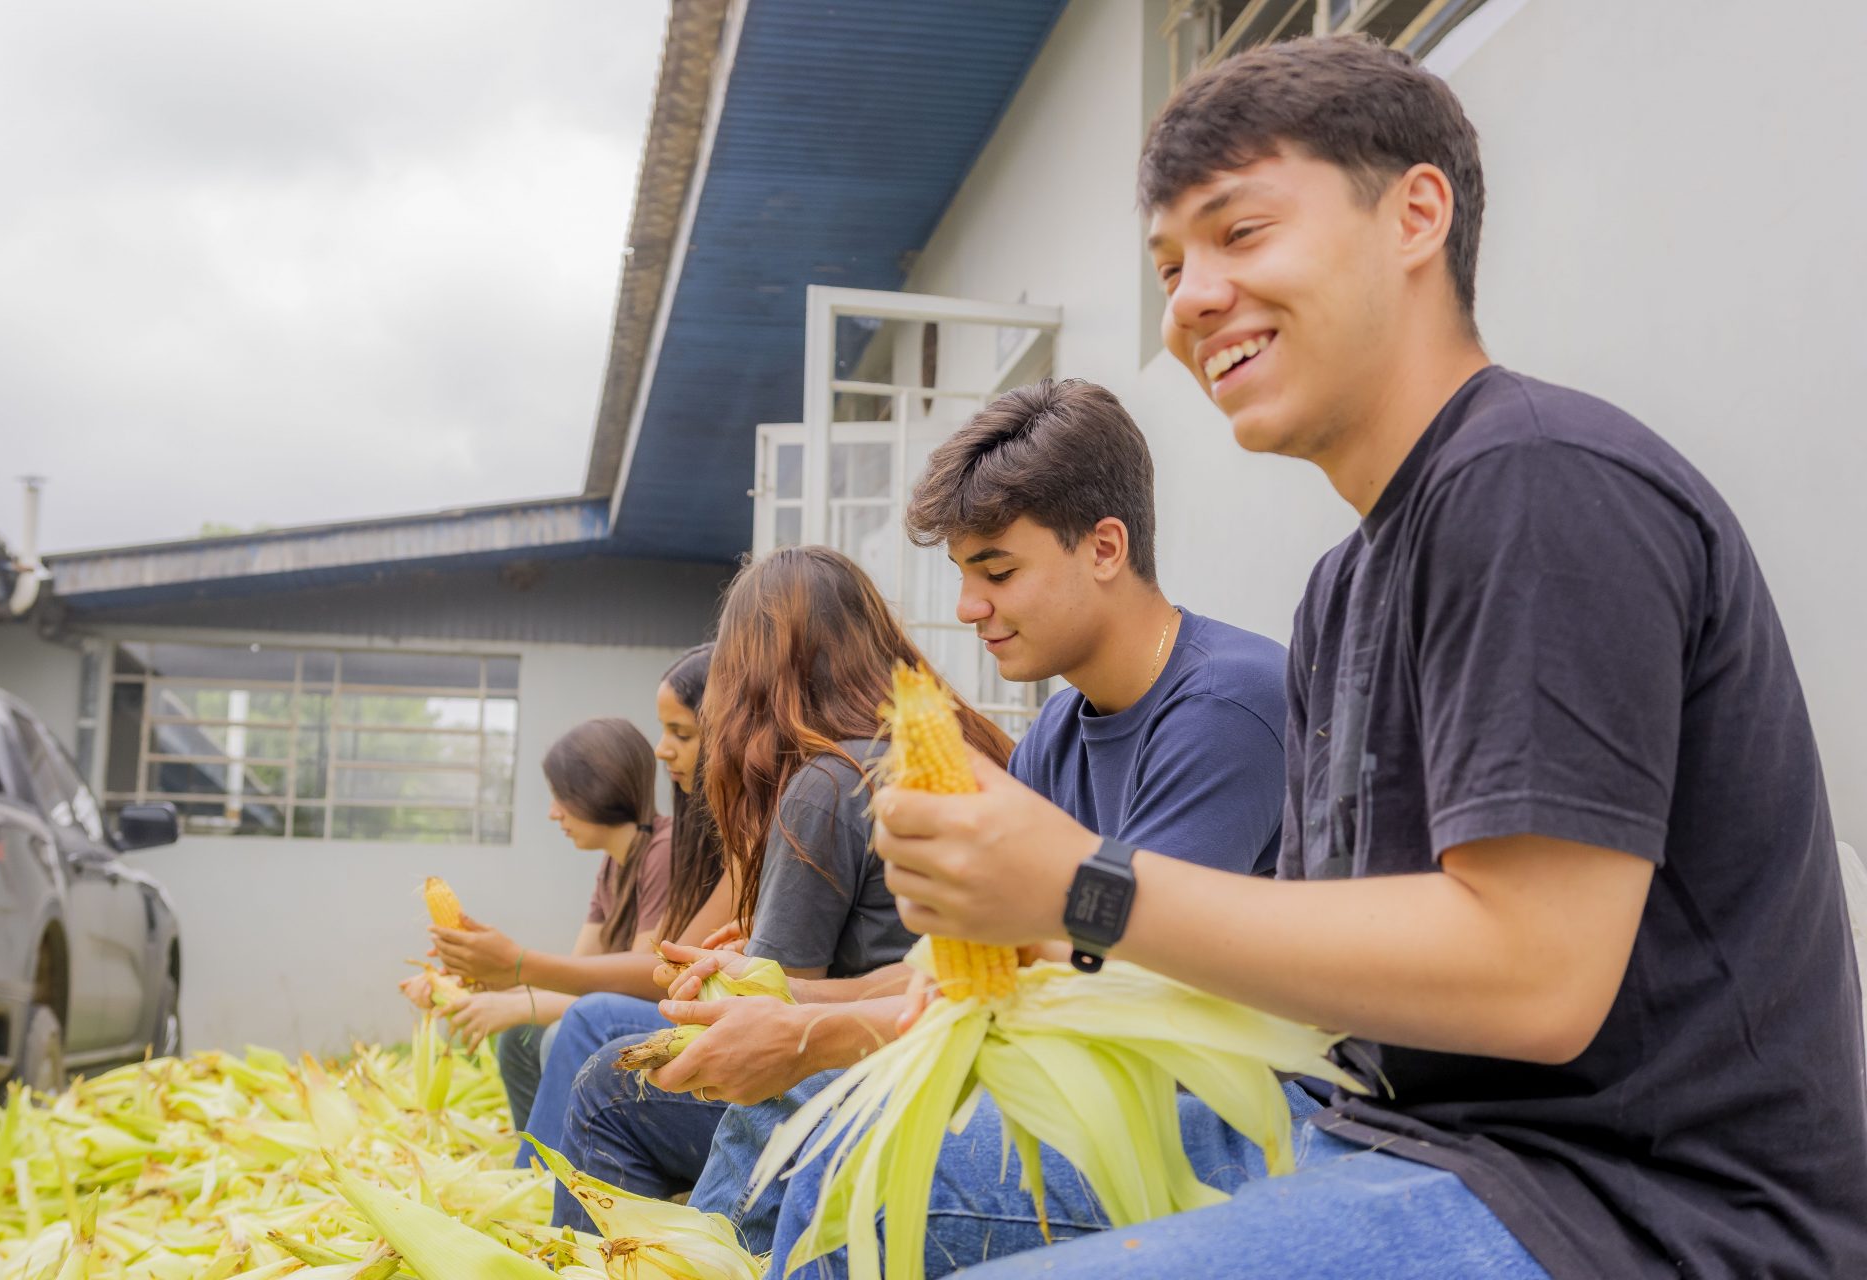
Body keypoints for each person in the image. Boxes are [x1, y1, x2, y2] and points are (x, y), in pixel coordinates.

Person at [789, 34, 1867, 1278]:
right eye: (1171, 264)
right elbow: (1315, 967)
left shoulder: (1537, 482)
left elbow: (1539, 976)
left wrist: (1080, 888)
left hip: (1630, 1211)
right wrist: (1006, 941)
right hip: (1380, 1131)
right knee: (850, 1204)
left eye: (1239, 234)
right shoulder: (1346, 584)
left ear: (1417, 214)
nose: (1189, 299)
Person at [633, 377, 1295, 1252]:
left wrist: (813, 1035)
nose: (966, 608)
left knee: (851, 1175)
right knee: (804, 1091)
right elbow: (983, 969)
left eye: (998, 572)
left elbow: (1113, 978)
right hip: (1081, 1079)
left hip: (1217, 1123)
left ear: (1105, 547)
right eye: (960, 575)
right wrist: (782, 998)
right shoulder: (1058, 730)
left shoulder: (1225, 708)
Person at [548, 545, 1013, 1232]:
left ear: (752, 676)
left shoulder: (826, 785)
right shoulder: (969, 750)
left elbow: (769, 1009)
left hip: (879, 1076)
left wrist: (742, 971)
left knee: (606, 1084)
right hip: (953, 1048)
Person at [400, 716, 683, 1132]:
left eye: (562, 796)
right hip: (618, 1010)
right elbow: (571, 978)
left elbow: (644, 981)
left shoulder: (663, 851)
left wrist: (512, 1001)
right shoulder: (613, 867)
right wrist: (472, 984)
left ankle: (559, 1170)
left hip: (662, 1021)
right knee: (522, 1034)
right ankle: (535, 1158)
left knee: (547, 1032)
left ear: (599, 787)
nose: (553, 813)